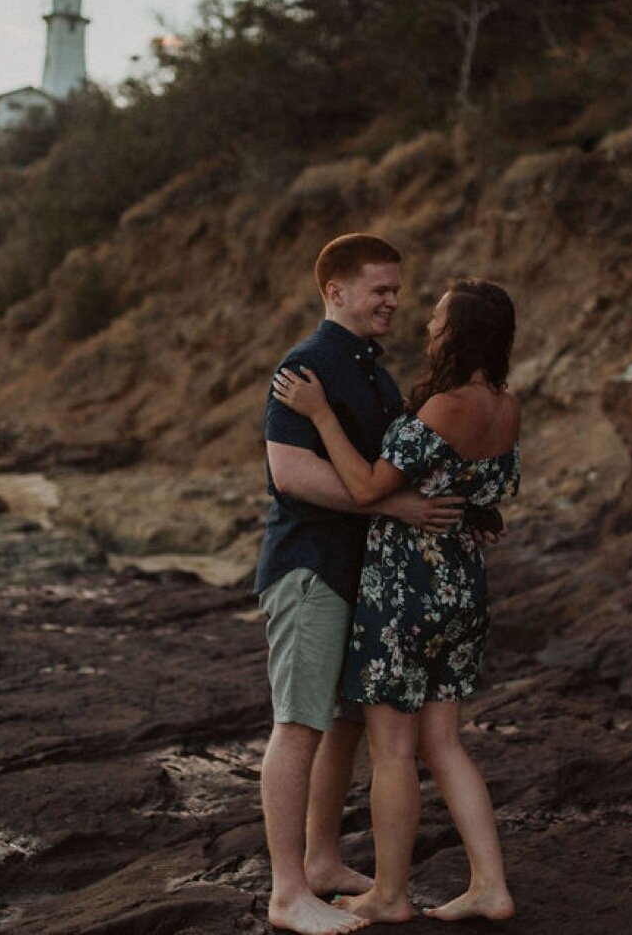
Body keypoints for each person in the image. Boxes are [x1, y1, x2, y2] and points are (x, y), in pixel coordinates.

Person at [272, 279, 520, 925]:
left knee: (391, 751)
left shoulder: (446, 404)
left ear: (459, 333)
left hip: (407, 585)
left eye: (438, 318)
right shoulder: (505, 403)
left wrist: (321, 413)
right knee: (445, 742)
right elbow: (487, 489)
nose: (428, 326)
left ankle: (389, 893)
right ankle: (490, 885)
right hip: (463, 583)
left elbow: (365, 486)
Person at [255, 233, 468, 935]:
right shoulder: (306, 364)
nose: (393, 301)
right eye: (379, 289)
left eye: (396, 289)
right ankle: (288, 894)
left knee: (342, 725)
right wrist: (391, 505)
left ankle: (320, 862)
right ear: (335, 291)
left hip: (364, 579)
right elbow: (291, 475)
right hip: (310, 570)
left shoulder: (369, 369)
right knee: (298, 726)